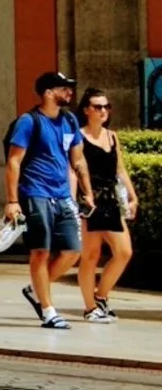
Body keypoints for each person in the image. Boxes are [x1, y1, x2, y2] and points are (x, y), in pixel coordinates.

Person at [8, 71, 89, 328]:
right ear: (48, 93)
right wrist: (12, 201)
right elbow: (14, 161)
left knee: (72, 251)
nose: (69, 92)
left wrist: (87, 190)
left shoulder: (70, 121)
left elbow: (77, 159)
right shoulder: (28, 122)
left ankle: (35, 290)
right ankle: (48, 309)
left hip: (62, 195)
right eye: (63, 88)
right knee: (41, 252)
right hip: (35, 193)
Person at [78, 87, 136, 323]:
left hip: (111, 198)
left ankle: (101, 296)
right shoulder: (78, 137)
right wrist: (84, 196)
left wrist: (132, 196)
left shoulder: (112, 136)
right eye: (98, 106)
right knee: (91, 255)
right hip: (89, 200)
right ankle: (90, 307)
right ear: (86, 110)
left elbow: (119, 169)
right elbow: (76, 170)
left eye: (106, 106)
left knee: (124, 252)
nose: (103, 111)